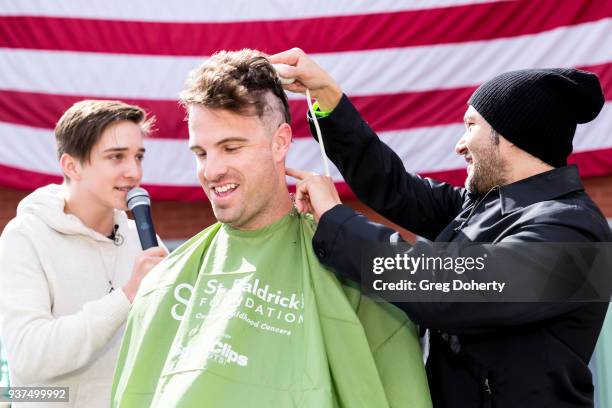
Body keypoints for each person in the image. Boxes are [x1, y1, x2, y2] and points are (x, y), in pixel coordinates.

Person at [270, 48, 612, 407]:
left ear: (512, 136)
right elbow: (392, 186)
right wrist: (327, 96)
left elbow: (451, 288)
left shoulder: (575, 232)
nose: (459, 144)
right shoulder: (481, 207)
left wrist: (336, 220)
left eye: (471, 125)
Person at [111, 49, 431, 408]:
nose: (211, 170)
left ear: (280, 142)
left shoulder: (354, 279)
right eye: (201, 153)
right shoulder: (164, 282)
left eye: (231, 147)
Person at [0, 100, 168, 407]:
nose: (134, 171)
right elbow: (28, 358)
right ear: (71, 165)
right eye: (116, 157)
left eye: (138, 157)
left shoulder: (144, 240)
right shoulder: (24, 237)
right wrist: (126, 296)